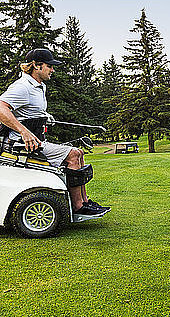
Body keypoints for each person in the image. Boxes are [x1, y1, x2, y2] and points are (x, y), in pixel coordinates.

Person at [0, 48, 109, 217]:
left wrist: (45, 116)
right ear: (36, 65)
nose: (53, 70)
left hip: (37, 142)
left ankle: (85, 202)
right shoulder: (23, 87)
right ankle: (78, 206)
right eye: (49, 66)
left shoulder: (39, 86)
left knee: (79, 154)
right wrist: (24, 132)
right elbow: (1, 108)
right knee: (73, 155)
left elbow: (28, 112)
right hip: (20, 145)